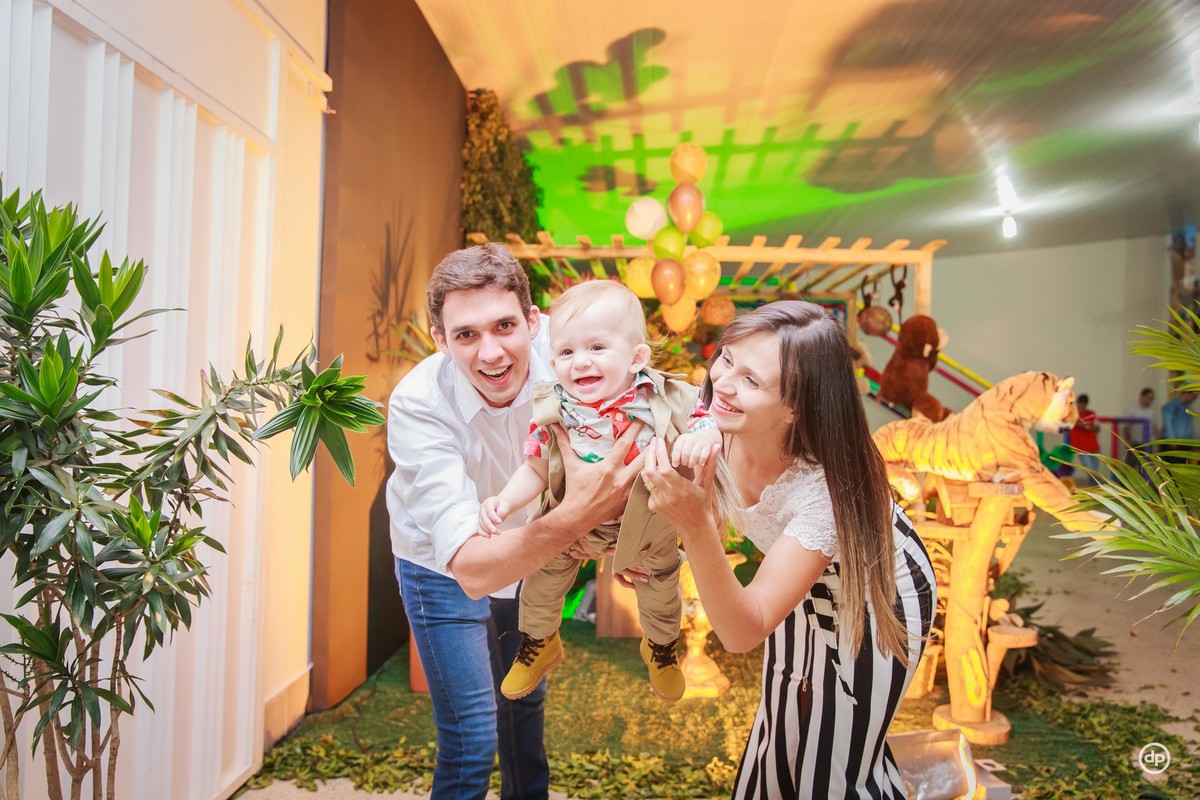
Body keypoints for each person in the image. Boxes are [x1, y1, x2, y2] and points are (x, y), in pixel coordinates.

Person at [639, 300, 936, 798]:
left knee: (836, 755)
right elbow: (703, 518)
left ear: (796, 406)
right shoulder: (717, 424)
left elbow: (742, 632)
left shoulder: (826, 491)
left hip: (879, 592)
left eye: (751, 380)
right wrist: (653, 557)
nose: (723, 383)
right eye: (726, 358)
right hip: (801, 572)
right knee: (781, 727)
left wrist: (694, 526)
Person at [386, 244, 646, 800]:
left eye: (505, 326)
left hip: (532, 547)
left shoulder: (574, 348)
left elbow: (646, 404)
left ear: (533, 321)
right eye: (466, 335)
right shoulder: (417, 402)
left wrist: (635, 539)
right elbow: (473, 569)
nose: (492, 353)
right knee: (471, 738)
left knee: (524, 704)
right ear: (440, 340)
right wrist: (580, 516)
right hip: (443, 561)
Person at [480, 281, 722, 703]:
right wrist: (504, 500)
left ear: (636, 358)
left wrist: (702, 437)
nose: (581, 361)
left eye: (596, 347)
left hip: (647, 527)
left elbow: (705, 421)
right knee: (542, 573)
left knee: (661, 586)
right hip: (573, 523)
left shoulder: (662, 396)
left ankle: (661, 647)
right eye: (567, 352)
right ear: (553, 362)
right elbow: (535, 467)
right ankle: (539, 640)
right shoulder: (555, 408)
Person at [1070, 393, 1102, 485]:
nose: (1082, 407)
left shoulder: (1091, 414)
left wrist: (1087, 427)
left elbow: (1097, 428)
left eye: (1083, 405)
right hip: (1081, 448)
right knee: (1091, 471)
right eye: (1080, 404)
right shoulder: (1073, 414)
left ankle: (1094, 490)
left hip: (1093, 446)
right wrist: (1086, 426)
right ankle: (1103, 486)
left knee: (1094, 471)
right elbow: (1074, 423)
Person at [1122, 387, 1157, 467]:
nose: (1150, 401)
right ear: (1142, 397)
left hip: (1148, 444)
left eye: (1152, 399)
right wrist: (1127, 441)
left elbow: (1154, 427)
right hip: (1135, 443)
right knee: (1130, 466)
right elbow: (1126, 427)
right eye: (1149, 398)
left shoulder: (1151, 411)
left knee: (1146, 467)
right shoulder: (1132, 410)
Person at [1161, 389, 1197, 463]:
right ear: (1186, 394)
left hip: (1185, 442)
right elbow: (1168, 422)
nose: (1194, 399)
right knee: (1172, 465)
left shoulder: (1189, 408)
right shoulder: (1173, 405)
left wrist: (1192, 442)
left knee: (1183, 465)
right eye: (1193, 397)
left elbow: (1189, 427)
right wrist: (1172, 439)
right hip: (1173, 442)